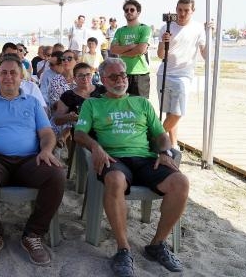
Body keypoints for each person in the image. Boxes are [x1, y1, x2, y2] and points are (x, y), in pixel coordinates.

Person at [74, 58, 188, 276]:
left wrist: (164, 152)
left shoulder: (142, 103)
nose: (120, 80)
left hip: (145, 159)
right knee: (114, 180)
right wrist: (95, 146)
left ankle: (157, 244)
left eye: (123, 75)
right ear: (103, 79)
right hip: (114, 158)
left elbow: (161, 135)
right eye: (113, 76)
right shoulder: (93, 104)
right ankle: (123, 249)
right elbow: (79, 134)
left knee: (180, 182)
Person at [0, 54, 65, 266]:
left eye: (13, 73)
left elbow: (47, 133)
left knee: (56, 175)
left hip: (29, 160)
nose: (8, 77)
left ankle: (33, 234)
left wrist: (47, 150)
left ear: (22, 78)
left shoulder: (33, 103)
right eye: (3, 73)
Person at [157, 0, 207, 147]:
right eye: (179, 10)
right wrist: (164, 42)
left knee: (178, 113)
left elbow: (205, 55)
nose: (182, 13)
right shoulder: (166, 27)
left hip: (184, 76)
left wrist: (211, 35)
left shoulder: (198, 28)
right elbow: (160, 55)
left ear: (193, 10)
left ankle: (154, 138)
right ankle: (173, 145)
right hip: (164, 74)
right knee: (169, 112)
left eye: (186, 10)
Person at [52, 62, 106, 146]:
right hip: (82, 137)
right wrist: (69, 117)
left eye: (88, 74)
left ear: (92, 75)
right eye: (81, 75)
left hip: (105, 132)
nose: (85, 78)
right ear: (74, 78)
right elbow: (57, 120)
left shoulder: (102, 90)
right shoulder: (68, 95)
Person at [110, 0, 152, 98]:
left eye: (132, 10)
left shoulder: (145, 28)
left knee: (140, 105)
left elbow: (140, 50)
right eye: (126, 10)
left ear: (138, 12)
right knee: (123, 103)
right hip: (123, 73)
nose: (129, 12)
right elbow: (113, 49)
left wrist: (122, 52)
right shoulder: (120, 31)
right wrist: (131, 46)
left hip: (140, 74)